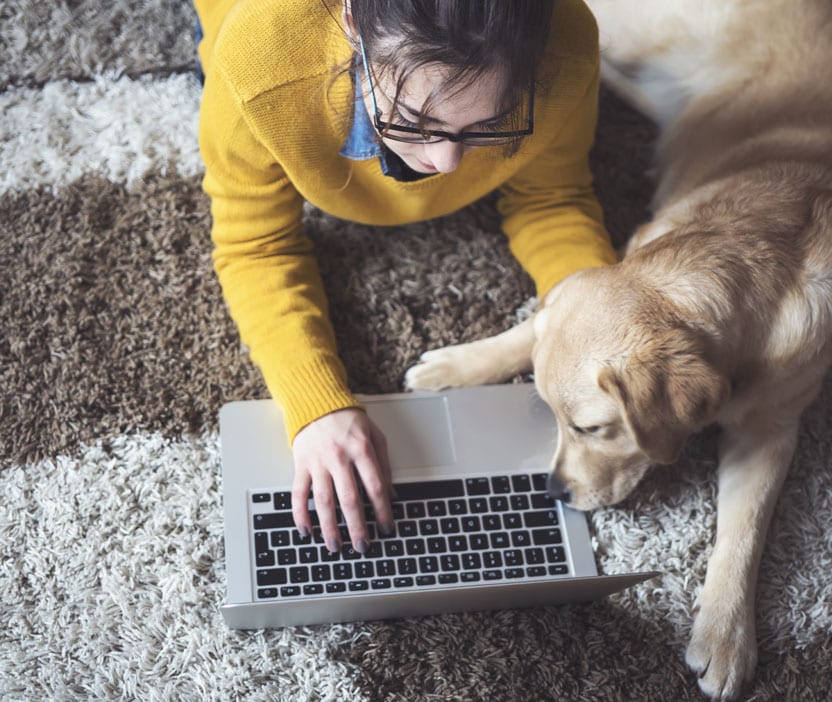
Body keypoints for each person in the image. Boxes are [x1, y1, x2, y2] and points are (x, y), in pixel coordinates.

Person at [194, 0, 617, 557]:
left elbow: (552, 197)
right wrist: (317, 408)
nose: (446, 162)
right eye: (416, 121)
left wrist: (602, 330)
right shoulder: (259, 60)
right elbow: (256, 244)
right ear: (351, 26)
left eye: (489, 124)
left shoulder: (564, 44)